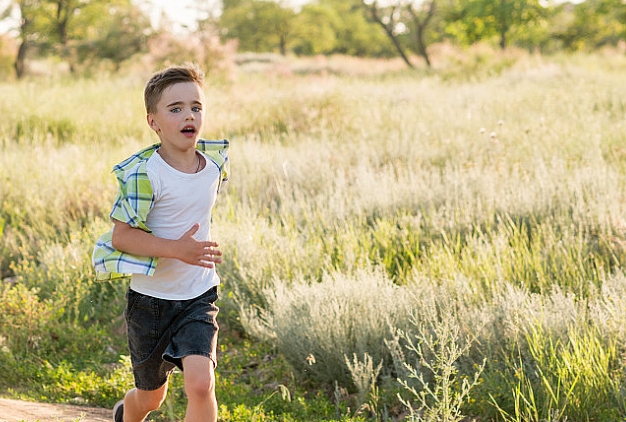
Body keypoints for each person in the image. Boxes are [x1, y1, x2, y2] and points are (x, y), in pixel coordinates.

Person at [92, 63, 229, 422]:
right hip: (150, 303)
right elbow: (121, 236)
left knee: (201, 385)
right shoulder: (145, 174)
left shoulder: (214, 165)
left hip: (199, 295)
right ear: (153, 122)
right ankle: (127, 413)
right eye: (176, 108)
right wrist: (178, 249)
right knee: (151, 398)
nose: (189, 115)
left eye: (196, 107)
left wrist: (197, 249)